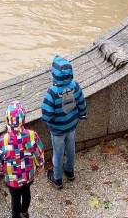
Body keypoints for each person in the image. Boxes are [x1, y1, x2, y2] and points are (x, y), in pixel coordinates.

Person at [41, 55, 87, 189]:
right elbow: (81, 102)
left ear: (53, 74)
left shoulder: (52, 92)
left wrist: (47, 121)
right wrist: (82, 115)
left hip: (57, 130)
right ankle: (70, 171)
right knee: (71, 149)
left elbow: (47, 113)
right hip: (72, 126)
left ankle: (57, 179)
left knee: (58, 153)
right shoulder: (74, 86)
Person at [0, 102, 44, 218]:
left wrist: (1, 171)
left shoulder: (2, 140)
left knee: (15, 199)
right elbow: (39, 153)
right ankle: (25, 212)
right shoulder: (32, 135)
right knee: (27, 193)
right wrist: (40, 165)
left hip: (12, 178)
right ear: (23, 119)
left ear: (7, 120)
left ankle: (16, 216)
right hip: (28, 174)